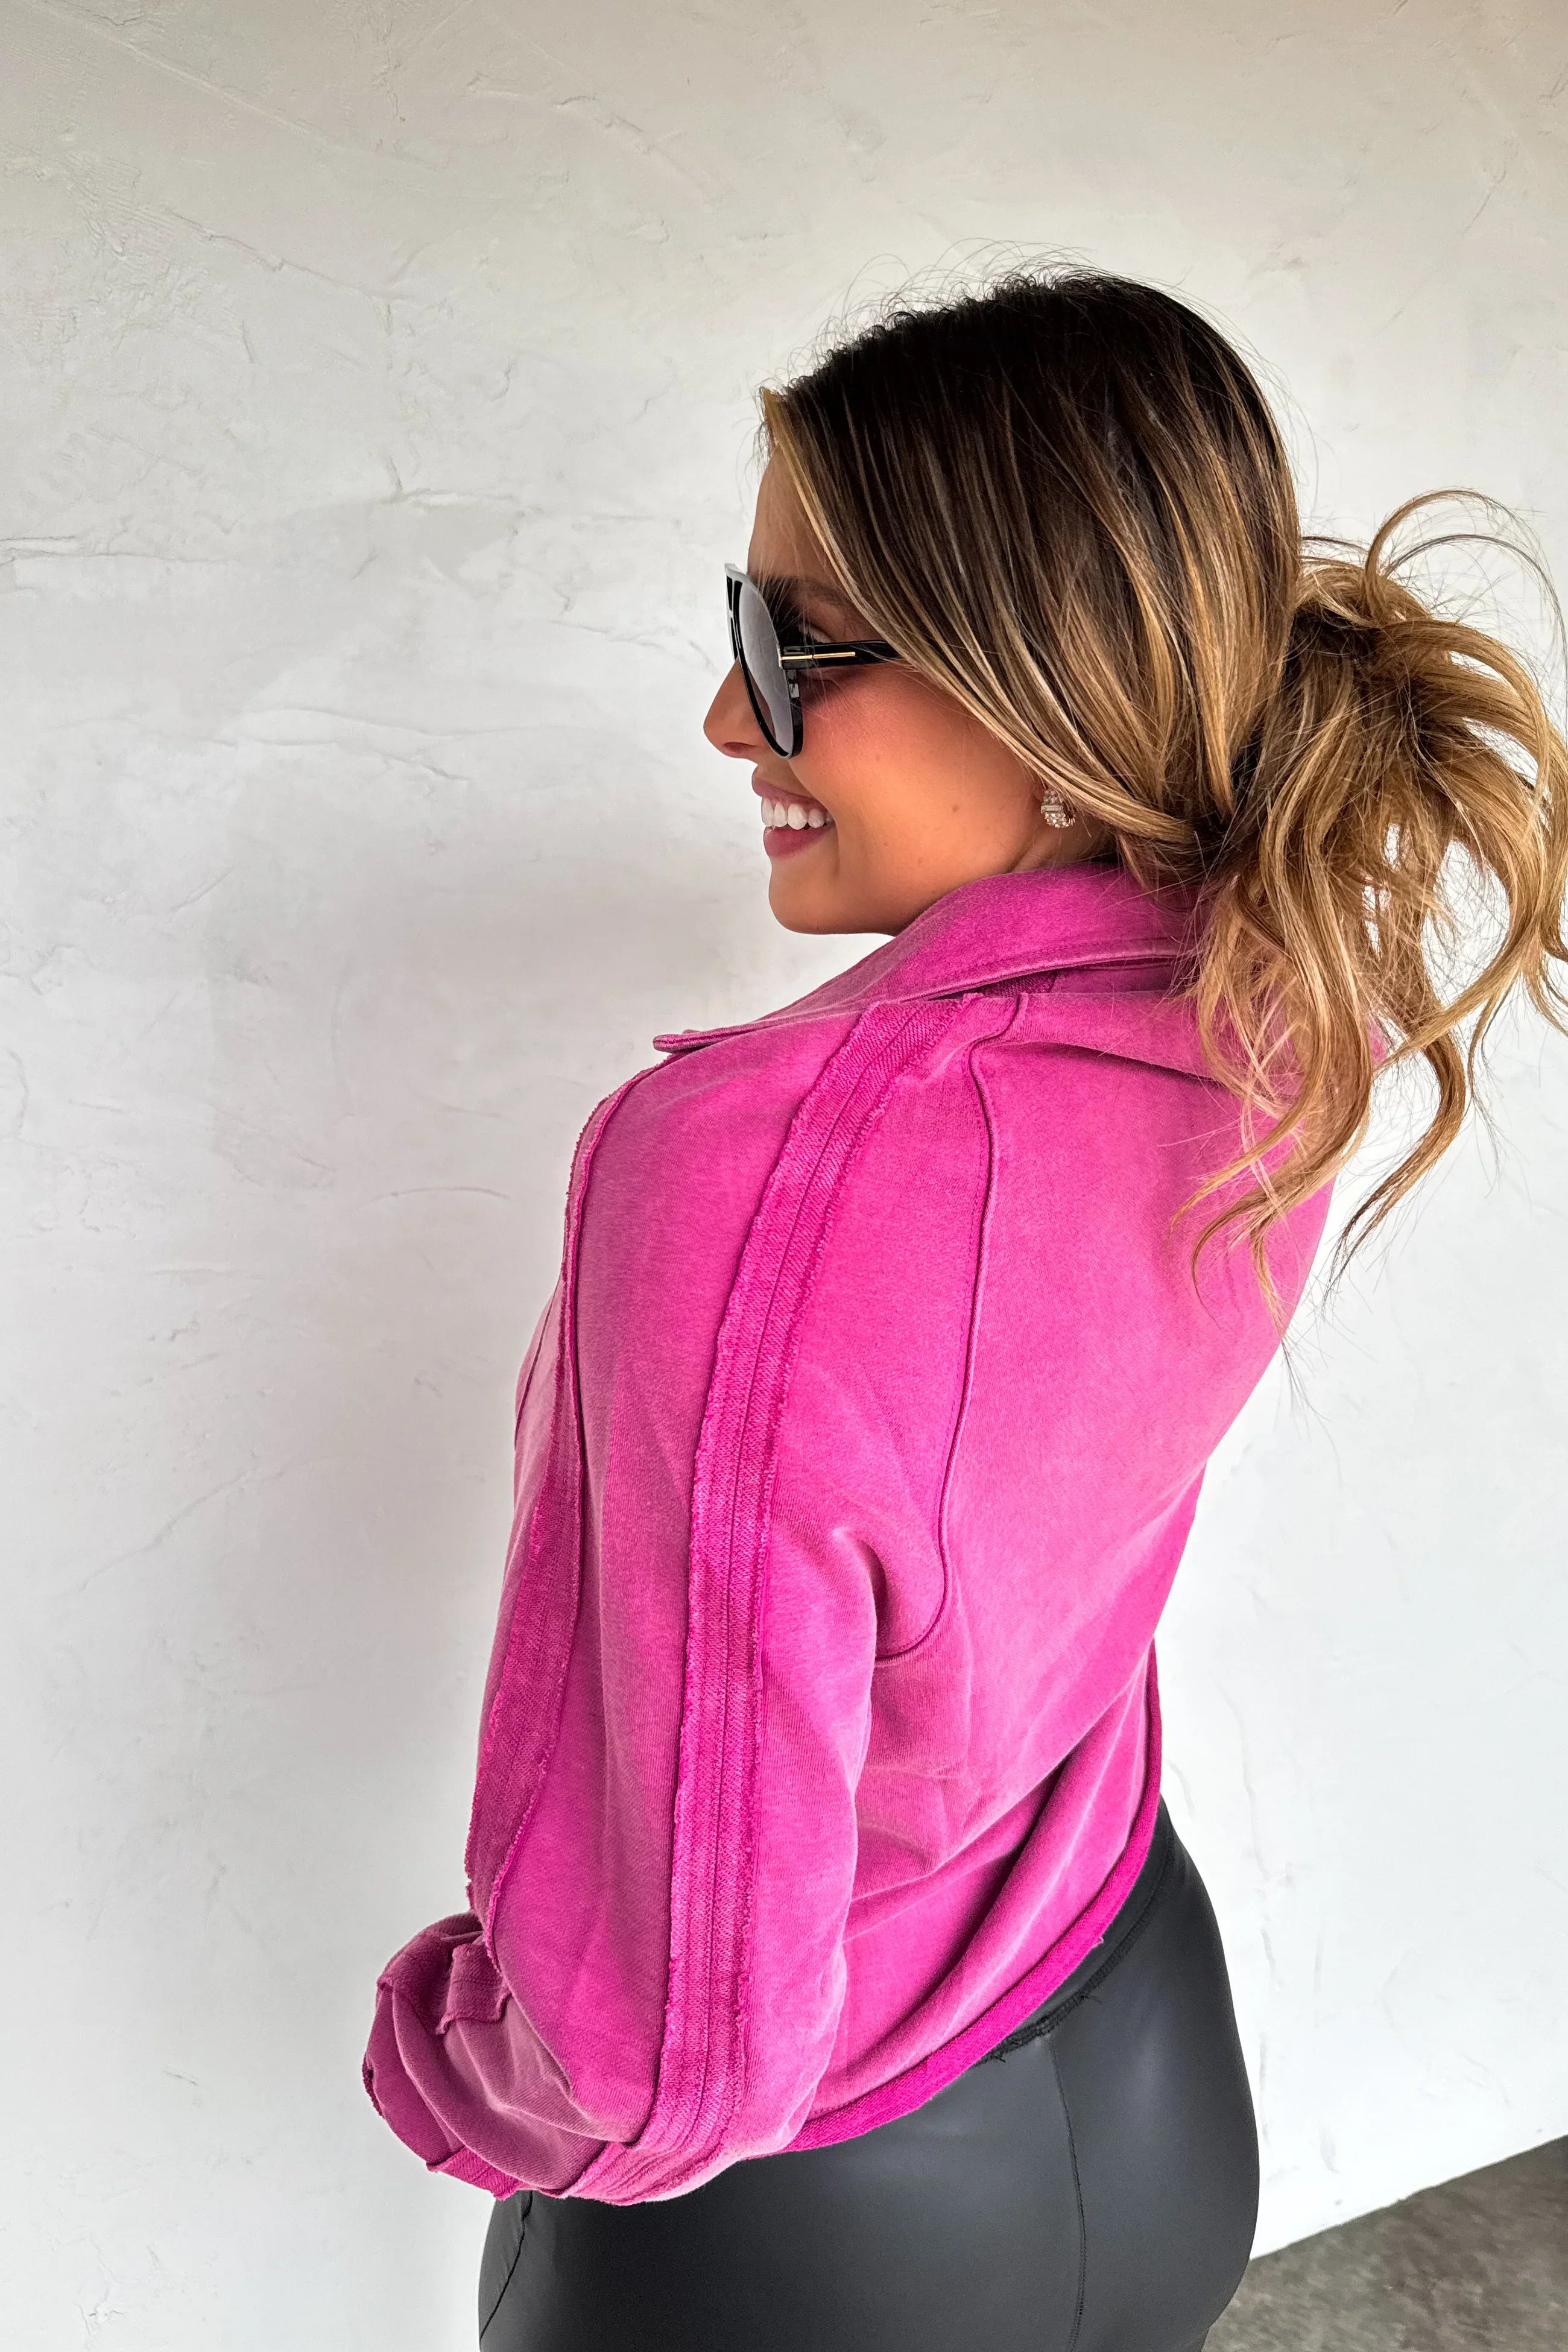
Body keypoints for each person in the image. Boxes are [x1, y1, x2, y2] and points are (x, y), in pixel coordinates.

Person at [362, 268, 1568, 2352]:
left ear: (1040, 682)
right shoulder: (1277, 997)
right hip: (1140, 2033)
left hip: (811, 2246)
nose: (730, 716)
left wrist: (441, 2048)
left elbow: (663, 2055)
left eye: (792, 644)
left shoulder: (745, 1183)